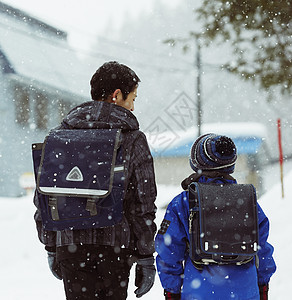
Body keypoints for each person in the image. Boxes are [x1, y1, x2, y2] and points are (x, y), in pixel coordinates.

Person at [34, 61, 157, 299]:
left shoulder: (60, 135)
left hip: (70, 246)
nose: (132, 107)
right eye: (133, 98)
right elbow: (143, 203)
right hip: (115, 249)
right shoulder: (132, 139)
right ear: (117, 95)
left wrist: (51, 245)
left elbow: (44, 196)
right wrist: (145, 255)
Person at [155, 133, 276, 300]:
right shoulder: (247, 200)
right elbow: (262, 251)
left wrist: (172, 291)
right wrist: (262, 287)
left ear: (196, 162)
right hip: (245, 292)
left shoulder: (183, 202)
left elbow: (168, 253)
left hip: (199, 292)